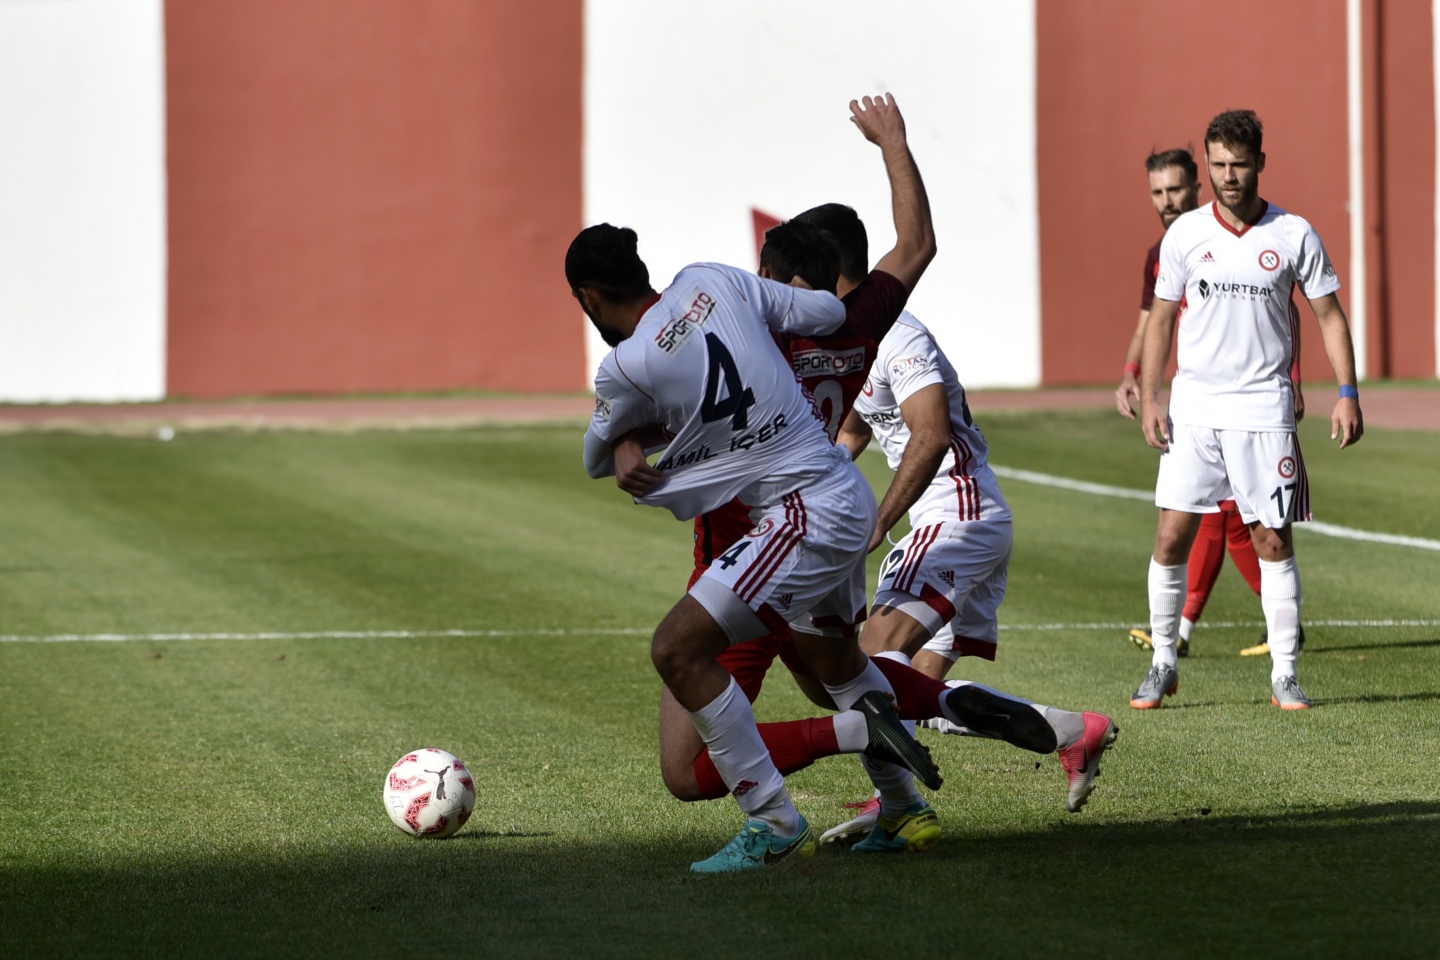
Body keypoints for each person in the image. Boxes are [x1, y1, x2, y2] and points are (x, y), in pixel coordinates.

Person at [572, 217, 940, 875]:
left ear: (590, 298)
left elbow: (596, 455)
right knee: (842, 673)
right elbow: (833, 305)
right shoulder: (714, 283)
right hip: (835, 501)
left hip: (795, 519)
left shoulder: (626, 367)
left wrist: (627, 435)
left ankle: (776, 817)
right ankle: (1013, 739)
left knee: (679, 657)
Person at [1133, 109, 1363, 711]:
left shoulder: (1294, 234)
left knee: (1272, 541)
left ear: (1261, 162)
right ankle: (1163, 663)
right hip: (1195, 408)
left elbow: (1330, 315)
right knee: (1170, 536)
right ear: (1206, 166)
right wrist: (1153, 395)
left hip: (1264, 408)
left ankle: (1285, 674)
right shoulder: (1185, 235)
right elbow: (1160, 319)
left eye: (1238, 164)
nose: (1228, 176)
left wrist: (1347, 392)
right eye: (1218, 165)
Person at [1118, 148, 1307, 659]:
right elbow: (1151, 320)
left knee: (1242, 523)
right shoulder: (1166, 251)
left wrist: (1292, 380)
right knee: (1210, 521)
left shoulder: (1255, 237)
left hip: (1252, 403)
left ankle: (1191, 629)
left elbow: (1280, 314)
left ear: (1198, 186)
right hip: (1199, 406)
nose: (1166, 201)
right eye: (1157, 193)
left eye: (1175, 189)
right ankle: (1185, 631)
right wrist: (1135, 376)